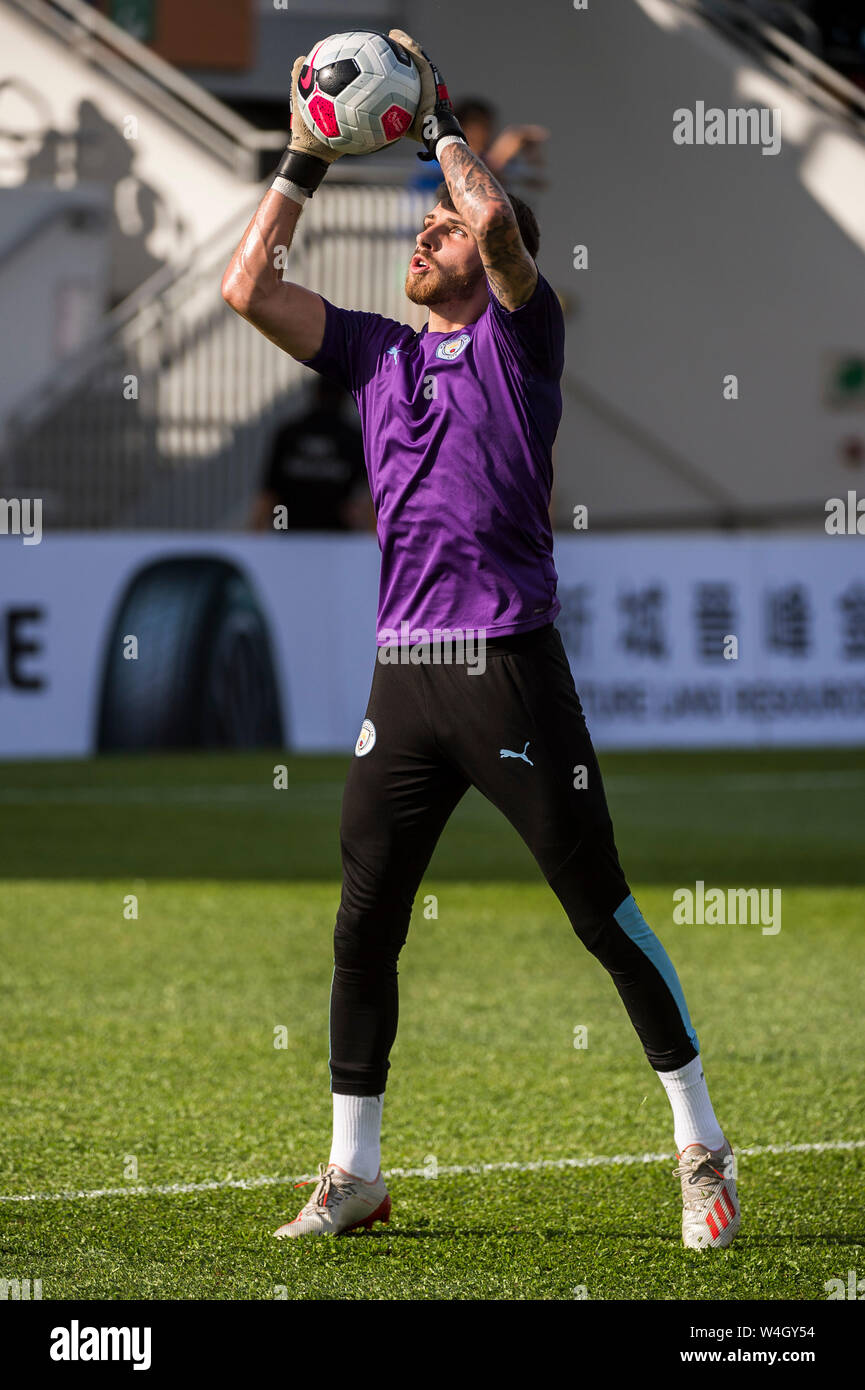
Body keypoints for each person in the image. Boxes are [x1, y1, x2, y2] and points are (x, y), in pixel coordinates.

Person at [222, 30, 740, 1252]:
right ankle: (353, 1171)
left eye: (438, 232)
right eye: (425, 229)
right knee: (363, 918)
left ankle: (701, 1144)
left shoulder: (521, 338)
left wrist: (439, 119)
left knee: (598, 910)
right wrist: (303, 158)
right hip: (405, 676)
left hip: (508, 667)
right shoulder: (371, 351)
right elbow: (245, 289)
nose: (424, 237)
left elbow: (500, 227)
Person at [250, 376, 372, 532]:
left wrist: (256, 535)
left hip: (290, 533)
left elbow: (268, 495)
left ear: (315, 395)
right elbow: (369, 498)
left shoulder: (289, 433)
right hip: (336, 537)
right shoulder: (353, 438)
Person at [409, 95, 549, 194]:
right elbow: (472, 181)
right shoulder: (440, 152)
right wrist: (501, 154)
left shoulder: (486, 156)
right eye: (481, 127)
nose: (487, 133)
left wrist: (531, 154)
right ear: (461, 127)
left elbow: (537, 183)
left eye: (489, 127)